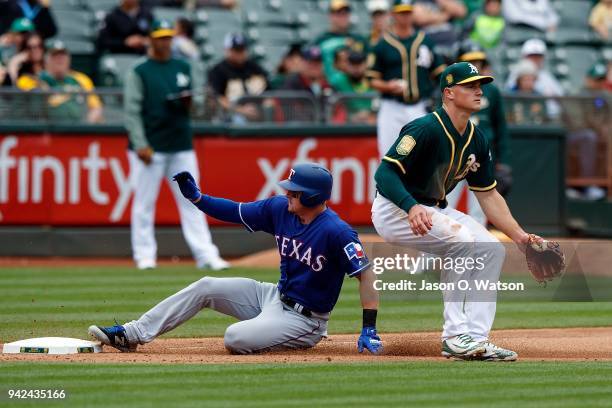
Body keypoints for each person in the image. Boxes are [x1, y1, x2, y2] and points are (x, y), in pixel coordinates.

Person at [88, 163, 383, 355]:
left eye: (294, 191)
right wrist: (198, 199)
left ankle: (288, 336)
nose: (287, 193)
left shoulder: (337, 232)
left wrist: (369, 327)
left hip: (305, 320)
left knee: (235, 338)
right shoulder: (279, 209)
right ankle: (132, 334)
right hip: (274, 297)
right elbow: (234, 210)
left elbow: (365, 275)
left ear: (310, 196)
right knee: (206, 285)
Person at [372, 62, 538, 361]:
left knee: (491, 249)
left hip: (432, 208)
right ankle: (453, 336)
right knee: (462, 242)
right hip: (394, 209)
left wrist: (520, 237)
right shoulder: (424, 128)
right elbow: (384, 174)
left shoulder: (476, 136)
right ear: (448, 93)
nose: (478, 90)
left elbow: (488, 195)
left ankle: (476, 339)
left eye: (480, 85)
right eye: (470, 85)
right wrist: (410, 207)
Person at [123, 19, 228, 270]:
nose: (165, 42)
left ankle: (206, 255)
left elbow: (199, 106)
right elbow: (132, 111)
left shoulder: (183, 66)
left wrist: (192, 103)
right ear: (150, 40)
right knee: (144, 204)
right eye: (160, 37)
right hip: (152, 146)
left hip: (180, 143)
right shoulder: (140, 71)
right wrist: (140, 144)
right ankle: (145, 256)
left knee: (193, 200)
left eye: (168, 37)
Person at [368, 0, 446, 157]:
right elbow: (371, 79)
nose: (405, 16)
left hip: (420, 106)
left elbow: (440, 73)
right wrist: (388, 86)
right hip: (391, 107)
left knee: (422, 157)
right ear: (393, 14)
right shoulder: (382, 45)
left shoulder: (425, 41)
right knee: (389, 156)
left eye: (408, 12)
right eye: (401, 13)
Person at [445, 40, 509, 225]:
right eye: (470, 61)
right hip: (453, 155)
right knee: (443, 207)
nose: (475, 66)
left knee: (480, 211)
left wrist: (503, 161)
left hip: (482, 155)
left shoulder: (492, 91)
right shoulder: (451, 89)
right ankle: (434, 253)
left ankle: (476, 253)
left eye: (478, 61)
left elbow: (501, 128)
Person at [17, 40, 104, 123]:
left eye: (63, 55)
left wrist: (84, 127)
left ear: (69, 59)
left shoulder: (82, 79)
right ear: (46, 60)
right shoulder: (32, 80)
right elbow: (26, 109)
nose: (59, 59)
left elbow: (96, 108)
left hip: (76, 131)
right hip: (46, 132)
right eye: (55, 55)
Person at [207, 32, 268, 123]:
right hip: (231, 116)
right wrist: (242, 110)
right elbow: (217, 99)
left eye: (242, 50)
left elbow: (269, 92)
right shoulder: (218, 71)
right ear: (227, 50)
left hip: (258, 113)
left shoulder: (254, 67)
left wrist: (263, 107)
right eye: (236, 50)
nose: (240, 54)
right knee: (237, 120)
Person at [314, 0, 369, 81]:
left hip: (355, 86)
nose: (343, 17)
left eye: (345, 14)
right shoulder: (321, 40)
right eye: (339, 14)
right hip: (329, 85)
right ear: (331, 15)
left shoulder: (359, 39)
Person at [281, 45, 333, 122]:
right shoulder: (292, 83)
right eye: (310, 63)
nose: (314, 66)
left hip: (326, 130)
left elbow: (338, 111)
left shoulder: (328, 84)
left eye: (317, 62)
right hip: (301, 130)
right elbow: (292, 112)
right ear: (302, 63)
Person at [330, 50, 377, 124]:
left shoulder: (374, 80)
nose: (356, 68)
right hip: (347, 123)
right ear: (347, 65)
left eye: (359, 64)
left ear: (365, 64)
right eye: (352, 64)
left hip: (371, 122)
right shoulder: (338, 80)